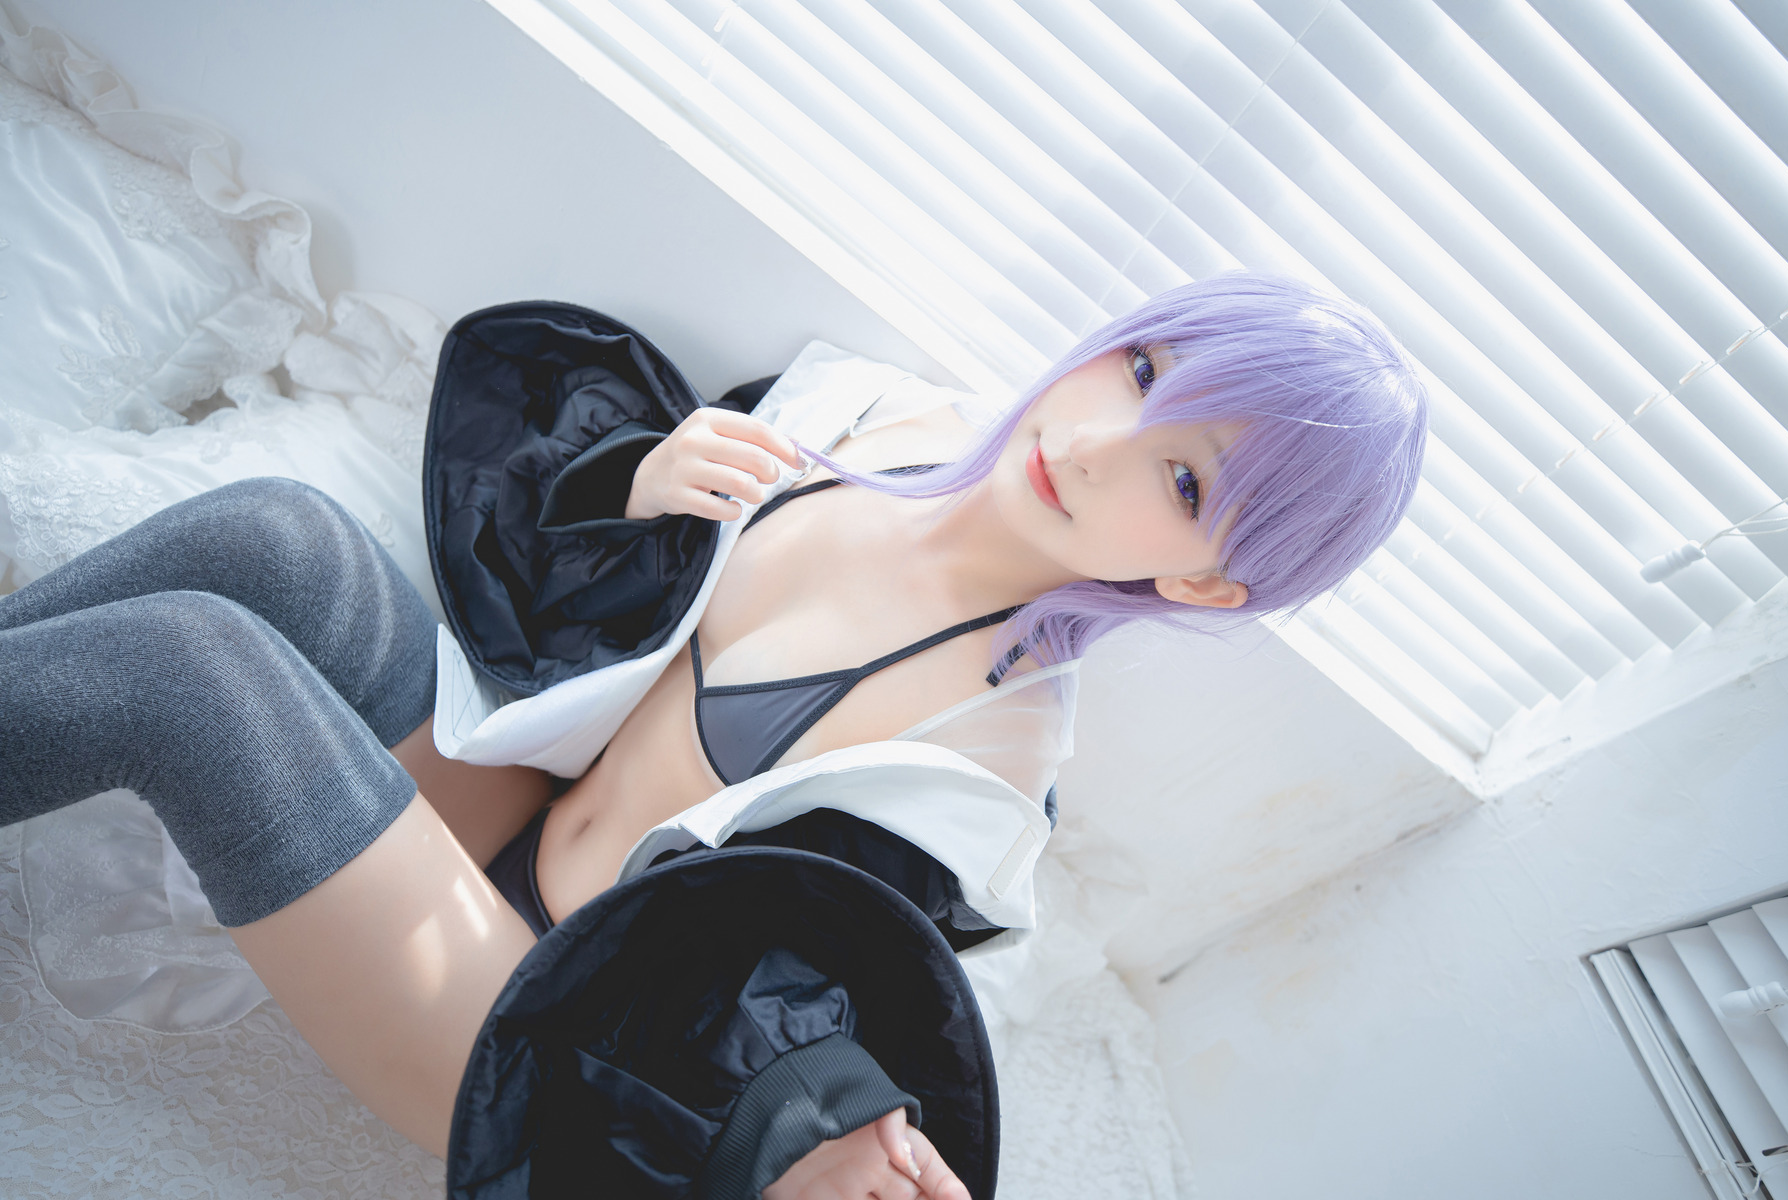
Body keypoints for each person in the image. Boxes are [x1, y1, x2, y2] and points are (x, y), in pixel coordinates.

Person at [0, 273, 1428, 1199]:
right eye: (1147, 370)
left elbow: (783, 989)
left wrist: (820, 1127)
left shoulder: (982, 767)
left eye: (1184, 481)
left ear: (1206, 583)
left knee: (193, 672)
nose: (1103, 442)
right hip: (501, 796)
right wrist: (640, 484)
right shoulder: (871, 415)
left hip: (519, 1005)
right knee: (281, 536)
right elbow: (563, 629)